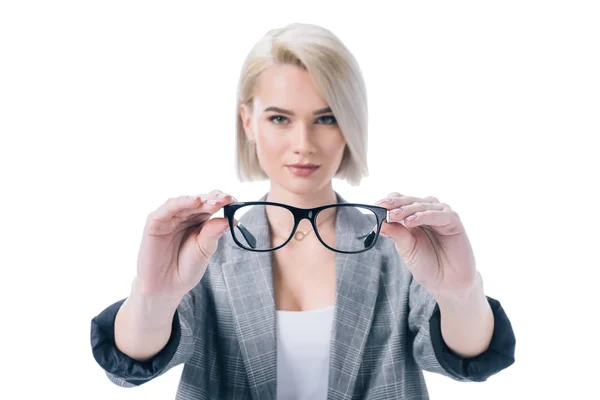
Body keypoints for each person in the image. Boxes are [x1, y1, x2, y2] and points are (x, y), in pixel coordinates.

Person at [90, 22, 516, 399]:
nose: (303, 143)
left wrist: (460, 292)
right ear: (248, 122)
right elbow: (132, 365)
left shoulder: (398, 246)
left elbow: (465, 359)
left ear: (351, 125)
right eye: (279, 119)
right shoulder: (207, 249)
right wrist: (153, 295)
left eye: (327, 118)